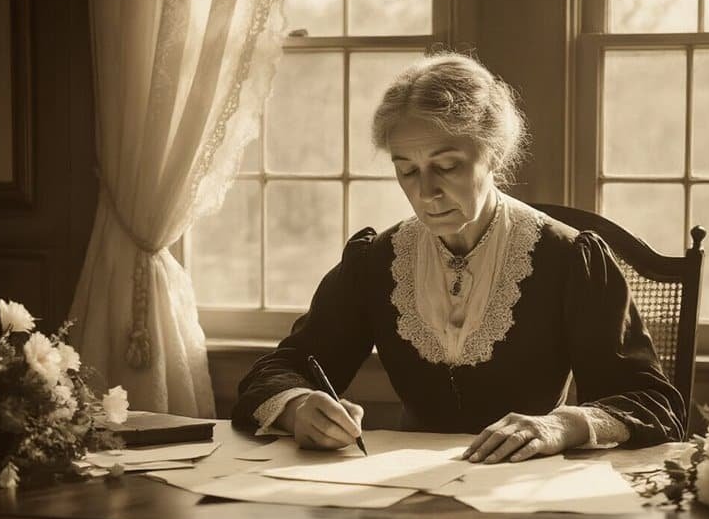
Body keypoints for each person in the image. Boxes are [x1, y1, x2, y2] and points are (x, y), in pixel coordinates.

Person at [232, 53, 685, 464]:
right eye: (406, 169)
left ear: (493, 155)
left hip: (527, 496)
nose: (425, 192)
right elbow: (278, 370)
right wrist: (297, 407)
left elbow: (652, 402)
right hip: (401, 489)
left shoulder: (569, 259)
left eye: (446, 166)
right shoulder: (376, 261)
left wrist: (559, 425)